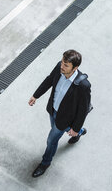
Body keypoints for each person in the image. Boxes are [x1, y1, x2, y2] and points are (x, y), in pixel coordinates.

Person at [28, 49, 91, 178]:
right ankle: (79, 132)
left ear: (75, 68)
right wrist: (36, 95)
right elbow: (49, 80)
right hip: (53, 110)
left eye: (66, 65)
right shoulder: (59, 68)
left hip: (66, 118)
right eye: (62, 62)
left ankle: (45, 163)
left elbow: (82, 109)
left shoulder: (83, 85)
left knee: (52, 140)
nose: (62, 66)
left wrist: (76, 126)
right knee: (58, 129)